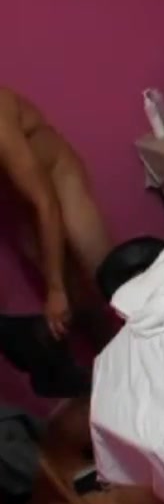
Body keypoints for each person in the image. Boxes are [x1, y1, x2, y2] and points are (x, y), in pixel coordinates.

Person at [0, 87, 113, 339]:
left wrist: (55, 289)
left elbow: (45, 201)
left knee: (106, 272)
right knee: (75, 299)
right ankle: (111, 348)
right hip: (21, 199)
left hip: (58, 176)